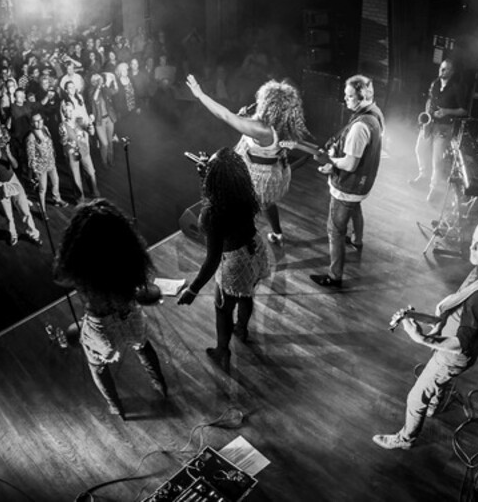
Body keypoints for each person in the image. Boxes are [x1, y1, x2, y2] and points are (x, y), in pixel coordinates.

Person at [372, 216, 478, 450]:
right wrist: (429, 320)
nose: (471, 247)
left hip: (453, 353)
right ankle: (434, 405)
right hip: (462, 342)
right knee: (440, 381)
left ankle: (405, 439)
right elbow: (465, 312)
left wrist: (421, 338)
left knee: (415, 398)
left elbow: (462, 343)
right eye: (473, 241)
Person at [53, 199, 168, 418]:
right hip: (131, 314)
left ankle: (115, 405)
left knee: (96, 364)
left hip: (102, 325)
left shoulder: (81, 263)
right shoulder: (128, 254)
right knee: (143, 347)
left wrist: (67, 248)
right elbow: (142, 286)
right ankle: (161, 385)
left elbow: (60, 277)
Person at [185, 74, 309, 244]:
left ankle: (240, 244)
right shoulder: (285, 123)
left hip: (254, 175)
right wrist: (245, 117)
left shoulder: (262, 130)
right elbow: (283, 141)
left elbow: (226, 115)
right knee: (267, 203)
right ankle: (277, 234)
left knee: (240, 208)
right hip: (270, 171)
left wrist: (200, 94)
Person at [177, 147, 269, 373]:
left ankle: (222, 352)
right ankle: (242, 329)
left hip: (235, 261)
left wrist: (193, 289)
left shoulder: (212, 213)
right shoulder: (244, 190)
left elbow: (212, 259)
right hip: (256, 248)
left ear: (215, 179)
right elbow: (217, 195)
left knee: (223, 309)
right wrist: (205, 177)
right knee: (247, 293)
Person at [310, 75, 384, 289]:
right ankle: (357, 240)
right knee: (355, 207)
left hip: (348, 186)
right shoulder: (376, 113)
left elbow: (350, 164)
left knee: (335, 230)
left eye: (350, 96)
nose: (345, 99)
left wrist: (331, 162)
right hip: (363, 184)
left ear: (363, 97)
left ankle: (335, 277)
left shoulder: (360, 127)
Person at [413, 59, 467, 202]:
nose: (441, 71)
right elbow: (429, 100)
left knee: (437, 161)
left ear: (452, 72)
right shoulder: (435, 83)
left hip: (444, 127)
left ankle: (434, 189)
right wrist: (426, 114)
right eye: (441, 68)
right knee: (419, 149)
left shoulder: (456, 87)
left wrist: (446, 111)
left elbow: (464, 110)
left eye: (445, 69)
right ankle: (423, 176)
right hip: (429, 123)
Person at [0, 131, 42, 247]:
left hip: (13, 181)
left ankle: (34, 234)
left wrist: (8, 153)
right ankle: (13, 235)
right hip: (1, 186)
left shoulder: (4, 150)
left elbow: (15, 165)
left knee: (25, 210)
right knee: (8, 215)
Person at [26, 112, 68, 208]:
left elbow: (50, 144)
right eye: (36, 121)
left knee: (55, 182)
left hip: (51, 162)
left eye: (40, 120)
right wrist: (34, 171)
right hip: (41, 167)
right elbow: (30, 156)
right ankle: (43, 210)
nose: (39, 122)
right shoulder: (31, 137)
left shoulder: (45, 129)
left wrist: (53, 155)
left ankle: (57, 199)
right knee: (42, 189)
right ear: (32, 123)